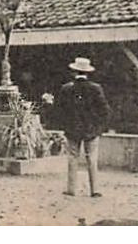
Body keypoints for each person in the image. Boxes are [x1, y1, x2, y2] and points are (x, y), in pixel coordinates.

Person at [56, 57, 110, 199]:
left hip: (72, 129)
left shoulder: (66, 89)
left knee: (73, 158)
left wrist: (66, 125)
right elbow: (104, 110)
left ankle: (71, 189)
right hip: (91, 129)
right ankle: (95, 190)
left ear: (74, 72)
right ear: (88, 73)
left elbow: (60, 110)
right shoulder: (96, 88)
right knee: (92, 158)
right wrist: (98, 126)